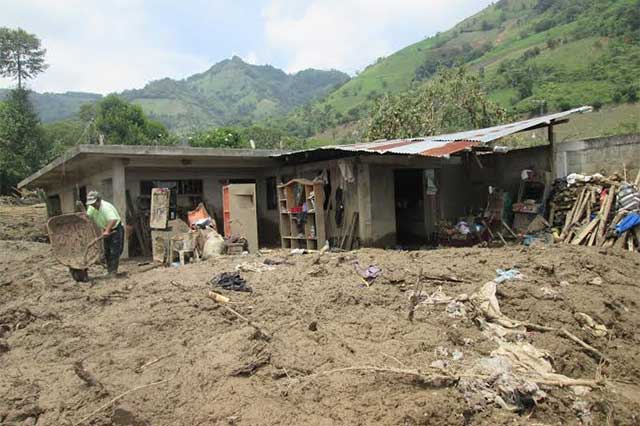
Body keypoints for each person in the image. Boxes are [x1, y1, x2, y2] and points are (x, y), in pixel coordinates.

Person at [86, 191, 124, 276]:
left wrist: (107, 231)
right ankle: (109, 270)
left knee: (115, 251)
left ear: (99, 200)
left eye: (94, 203)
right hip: (105, 228)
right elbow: (87, 217)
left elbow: (113, 220)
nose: (92, 205)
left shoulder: (106, 207)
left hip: (115, 229)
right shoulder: (92, 208)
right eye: (91, 204)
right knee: (107, 251)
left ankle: (113, 272)